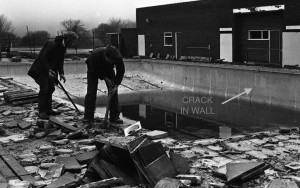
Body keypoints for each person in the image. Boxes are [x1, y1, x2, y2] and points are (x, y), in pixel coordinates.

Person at [28, 32, 78, 120]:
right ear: (68, 39)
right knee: (44, 89)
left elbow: (60, 61)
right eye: (72, 41)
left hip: (51, 70)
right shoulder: (53, 45)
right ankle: (42, 112)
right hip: (42, 69)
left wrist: (61, 73)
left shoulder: (62, 47)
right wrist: (48, 70)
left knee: (51, 88)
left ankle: (48, 110)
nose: (73, 44)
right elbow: (43, 58)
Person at [84, 45, 125, 124]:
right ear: (106, 56)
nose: (112, 62)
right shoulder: (95, 55)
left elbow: (121, 71)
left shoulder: (117, 57)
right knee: (91, 92)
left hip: (109, 69)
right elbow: (95, 70)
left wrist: (116, 85)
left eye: (113, 61)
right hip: (93, 68)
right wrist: (106, 79)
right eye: (110, 60)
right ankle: (88, 117)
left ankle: (114, 117)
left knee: (113, 92)